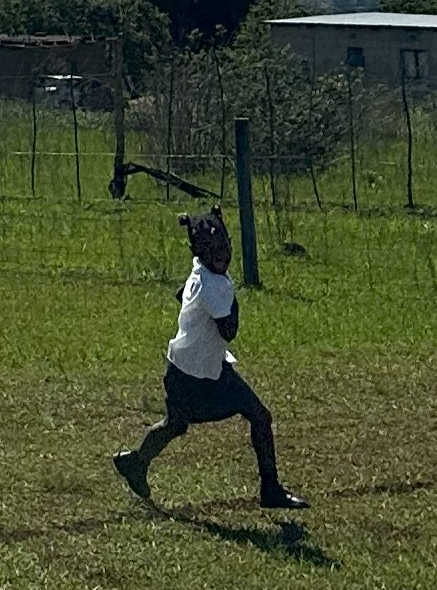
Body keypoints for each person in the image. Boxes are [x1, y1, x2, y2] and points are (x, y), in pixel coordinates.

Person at [112, 210, 306, 510]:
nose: (221, 258)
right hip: (199, 375)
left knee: (176, 424)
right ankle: (270, 491)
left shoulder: (200, 272)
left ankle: (135, 462)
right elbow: (229, 330)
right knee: (258, 416)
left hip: (183, 368)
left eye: (223, 251)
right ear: (200, 252)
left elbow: (183, 295)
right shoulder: (214, 284)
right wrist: (231, 299)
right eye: (213, 252)